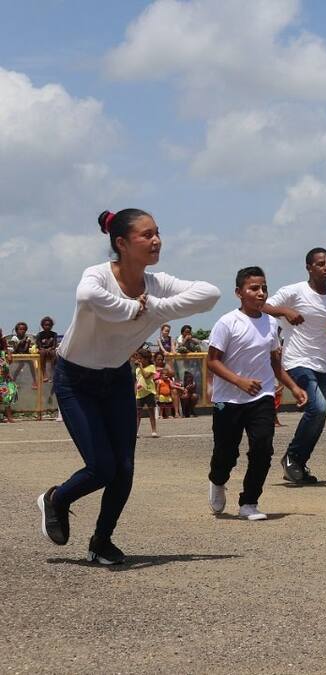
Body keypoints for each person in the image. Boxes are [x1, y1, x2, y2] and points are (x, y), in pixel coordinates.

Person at [36, 208, 219, 565]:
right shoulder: (98, 275)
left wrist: (157, 308)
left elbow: (209, 294)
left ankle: (101, 541)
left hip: (117, 377)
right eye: (147, 235)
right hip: (76, 380)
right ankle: (56, 499)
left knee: (124, 468)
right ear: (121, 243)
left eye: (158, 232)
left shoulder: (157, 285)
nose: (157, 240)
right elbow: (87, 297)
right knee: (101, 467)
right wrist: (132, 309)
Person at [206, 266, 308, 521]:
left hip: (261, 396)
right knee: (226, 453)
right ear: (239, 293)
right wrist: (238, 381)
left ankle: (249, 502)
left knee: (263, 447)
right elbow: (212, 361)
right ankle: (217, 480)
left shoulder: (271, 323)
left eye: (264, 288)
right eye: (254, 288)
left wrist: (294, 387)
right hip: (228, 399)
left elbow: (274, 363)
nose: (261, 293)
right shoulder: (227, 323)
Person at [263, 248, 326, 483]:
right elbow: (263, 306)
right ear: (309, 268)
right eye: (320, 263)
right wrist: (285, 311)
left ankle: (297, 461)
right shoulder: (294, 291)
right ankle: (292, 458)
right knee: (317, 408)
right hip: (297, 360)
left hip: (323, 363)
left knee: (319, 414)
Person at [133, 350, 159, 438]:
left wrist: (140, 367)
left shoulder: (151, 367)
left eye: (141, 358)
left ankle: (154, 430)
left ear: (147, 359)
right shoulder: (137, 369)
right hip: (140, 393)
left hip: (149, 392)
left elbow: (146, 376)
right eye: (138, 359)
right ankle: (135, 431)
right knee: (138, 413)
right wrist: (135, 391)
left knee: (151, 412)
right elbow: (137, 381)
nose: (139, 360)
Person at [36, 316, 58, 383]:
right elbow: (39, 346)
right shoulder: (39, 334)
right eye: (46, 325)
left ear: (52, 326)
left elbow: (54, 345)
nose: (48, 326)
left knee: (53, 353)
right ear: (42, 326)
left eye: (49, 325)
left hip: (51, 349)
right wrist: (45, 350)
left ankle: (52, 373)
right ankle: (44, 373)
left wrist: (50, 348)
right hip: (42, 349)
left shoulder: (54, 334)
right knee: (42, 353)